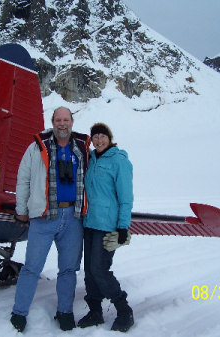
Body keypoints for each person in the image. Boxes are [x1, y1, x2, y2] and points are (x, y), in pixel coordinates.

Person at [10, 107, 91, 332]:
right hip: (44, 217)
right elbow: (23, 179)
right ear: (52, 122)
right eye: (58, 120)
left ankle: (64, 312)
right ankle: (19, 312)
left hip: (73, 217)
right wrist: (21, 209)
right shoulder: (37, 147)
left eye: (66, 119)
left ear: (72, 122)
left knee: (68, 269)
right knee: (31, 268)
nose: (62, 123)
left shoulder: (82, 148)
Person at [78, 122, 134, 333]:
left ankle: (124, 309)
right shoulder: (91, 159)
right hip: (89, 223)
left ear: (110, 138)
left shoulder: (119, 161)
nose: (98, 140)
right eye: (95, 137)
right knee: (89, 272)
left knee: (99, 270)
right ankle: (95, 312)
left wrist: (122, 227)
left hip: (107, 225)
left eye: (102, 136)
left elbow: (126, 197)